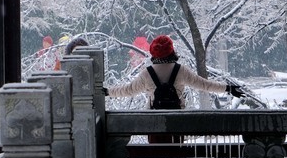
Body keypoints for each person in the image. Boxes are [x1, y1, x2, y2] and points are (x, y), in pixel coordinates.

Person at [105, 35, 247, 143]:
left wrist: (108, 92)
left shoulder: (147, 74)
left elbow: (128, 90)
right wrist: (228, 88)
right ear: (171, 50)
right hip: (177, 122)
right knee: (177, 155)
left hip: (154, 124)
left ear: (153, 52)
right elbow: (205, 84)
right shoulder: (181, 71)